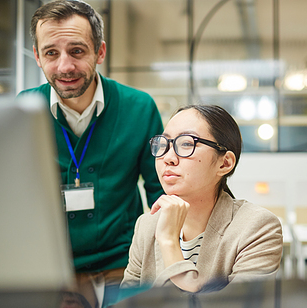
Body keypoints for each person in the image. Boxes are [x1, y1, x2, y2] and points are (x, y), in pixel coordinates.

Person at [18, 0, 164, 284]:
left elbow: (162, 192)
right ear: (37, 56)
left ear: (100, 52)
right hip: (48, 273)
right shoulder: (22, 112)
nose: (65, 66)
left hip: (125, 269)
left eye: (77, 51)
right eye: (51, 53)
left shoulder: (139, 107)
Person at [121, 105, 283, 292]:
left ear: (224, 163)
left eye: (187, 144)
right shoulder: (147, 225)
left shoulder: (257, 227)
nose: (168, 158)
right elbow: (126, 307)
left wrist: (169, 242)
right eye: (164, 144)